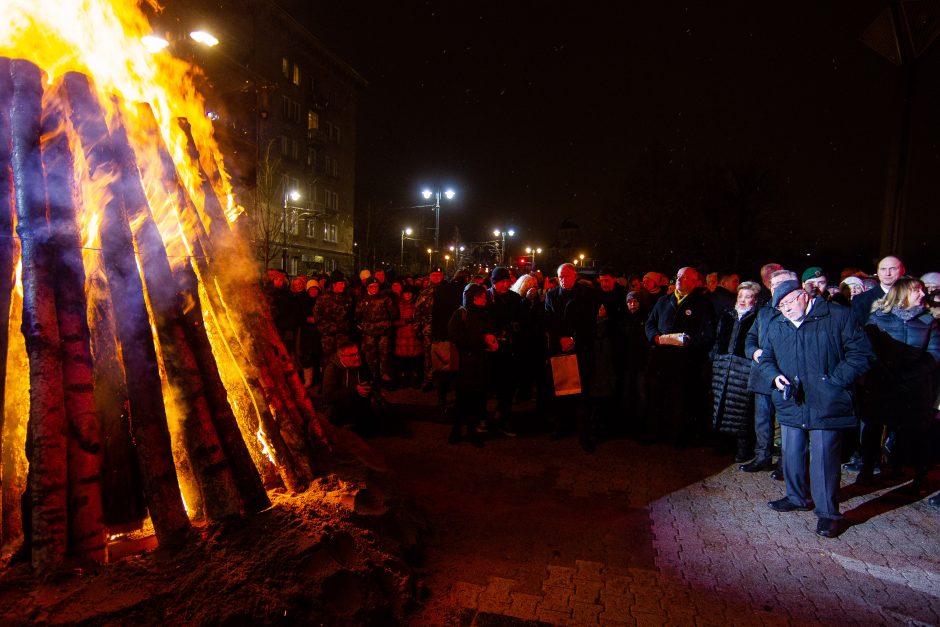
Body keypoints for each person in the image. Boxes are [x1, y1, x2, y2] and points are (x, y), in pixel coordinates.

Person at [760, 279, 872, 538]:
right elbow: (766, 358)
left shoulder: (838, 316)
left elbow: (861, 355)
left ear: (803, 296)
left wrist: (833, 382)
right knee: (792, 453)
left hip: (828, 401)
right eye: (780, 307)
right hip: (792, 400)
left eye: (788, 303)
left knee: (823, 459)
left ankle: (828, 514)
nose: (785, 310)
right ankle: (797, 497)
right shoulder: (778, 325)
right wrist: (775, 377)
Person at [857, 278, 940, 494]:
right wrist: (886, 372)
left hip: (916, 387)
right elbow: (869, 350)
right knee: (873, 427)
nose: (922, 294)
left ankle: (917, 476)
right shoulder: (878, 319)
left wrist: (910, 375)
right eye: (916, 291)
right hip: (883, 384)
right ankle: (867, 469)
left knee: (917, 433)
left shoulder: (928, 321)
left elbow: (935, 354)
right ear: (902, 293)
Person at [644, 267, 716, 446]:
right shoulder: (663, 301)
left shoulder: (702, 304)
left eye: (684, 278)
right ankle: (655, 432)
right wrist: (654, 337)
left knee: (681, 400)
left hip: (685, 362)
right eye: (678, 277)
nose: (679, 280)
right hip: (661, 360)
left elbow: (708, 334)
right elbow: (650, 323)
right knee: (657, 397)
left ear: (694, 282)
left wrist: (691, 342)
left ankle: (678, 437)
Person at [741, 268, 796, 475]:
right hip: (762, 374)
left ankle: (785, 463)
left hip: (785, 376)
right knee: (762, 420)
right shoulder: (764, 312)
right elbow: (750, 338)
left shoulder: (794, 310)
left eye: (781, 285)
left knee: (784, 423)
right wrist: (754, 352)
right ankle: (763, 456)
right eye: (773, 286)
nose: (776, 289)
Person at [545, 263, 599, 451]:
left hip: (580, 348)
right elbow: (550, 320)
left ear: (574, 276)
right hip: (560, 349)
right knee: (561, 390)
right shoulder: (552, 295)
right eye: (560, 276)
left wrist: (574, 338)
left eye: (566, 276)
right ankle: (562, 427)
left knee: (582, 394)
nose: (562, 279)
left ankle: (585, 434)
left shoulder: (587, 294)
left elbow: (590, 322)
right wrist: (560, 339)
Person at [710, 282, 761, 462]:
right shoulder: (727, 316)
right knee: (720, 407)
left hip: (743, 367)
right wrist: (715, 357)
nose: (743, 300)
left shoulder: (757, 318)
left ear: (754, 300)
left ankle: (742, 449)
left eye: (747, 297)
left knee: (740, 409)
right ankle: (722, 445)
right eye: (740, 297)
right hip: (722, 366)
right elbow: (717, 338)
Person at [448, 283, 498, 446]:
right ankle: (456, 430)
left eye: (484, 296)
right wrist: (481, 340)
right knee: (462, 399)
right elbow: (456, 337)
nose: (482, 299)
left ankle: (472, 431)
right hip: (465, 364)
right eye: (478, 296)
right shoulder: (460, 314)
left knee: (478, 399)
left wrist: (492, 341)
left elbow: (490, 330)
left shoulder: (485, 313)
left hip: (481, 363)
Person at [487, 266, 524, 435]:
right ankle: (484, 418)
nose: (503, 285)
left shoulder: (515, 299)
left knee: (507, 387)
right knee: (487, 386)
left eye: (506, 281)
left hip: (509, 349)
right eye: (500, 282)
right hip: (489, 349)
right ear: (493, 282)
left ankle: (504, 417)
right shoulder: (486, 297)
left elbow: (521, 321)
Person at [321, 342, 379, 436]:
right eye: (352, 355)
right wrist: (354, 390)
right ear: (342, 357)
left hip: (356, 401)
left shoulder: (359, 363)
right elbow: (328, 397)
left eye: (357, 353)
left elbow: (370, 380)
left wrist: (372, 391)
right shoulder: (331, 369)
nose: (357, 357)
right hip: (338, 406)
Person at [355, 277, 398, 386]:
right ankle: (373, 378)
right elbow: (357, 315)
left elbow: (393, 313)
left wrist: (387, 323)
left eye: (376, 286)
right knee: (370, 356)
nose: (374, 288)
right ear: (367, 287)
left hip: (384, 332)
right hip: (368, 333)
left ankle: (386, 378)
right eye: (371, 286)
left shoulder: (385, 298)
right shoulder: (362, 299)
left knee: (385, 356)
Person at [314, 270, 354, 365]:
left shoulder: (347, 298)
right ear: (334, 284)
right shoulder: (323, 298)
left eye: (344, 284)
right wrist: (325, 328)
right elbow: (317, 315)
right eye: (340, 284)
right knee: (329, 360)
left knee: (344, 359)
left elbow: (351, 315)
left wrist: (346, 326)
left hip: (343, 335)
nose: (343, 286)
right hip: (328, 336)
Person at [393, 286, 423, 388]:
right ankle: (403, 380)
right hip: (401, 336)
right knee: (403, 361)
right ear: (403, 294)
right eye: (406, 293)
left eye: (410, 293)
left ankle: (415, 380)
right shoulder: (398, 305)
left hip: (414, 335)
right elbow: (394, 320)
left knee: (414, 361)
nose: (408, 295)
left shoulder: (417, 304)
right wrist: (404, 321)